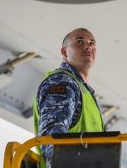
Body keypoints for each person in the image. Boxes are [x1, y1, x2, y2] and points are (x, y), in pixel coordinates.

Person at [33, 28, 105, 168]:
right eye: (79, 41)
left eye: (92, 43)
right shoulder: (62, 82)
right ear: (65, 52)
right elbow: (52, 139)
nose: (88, 46)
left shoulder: (84, 90)